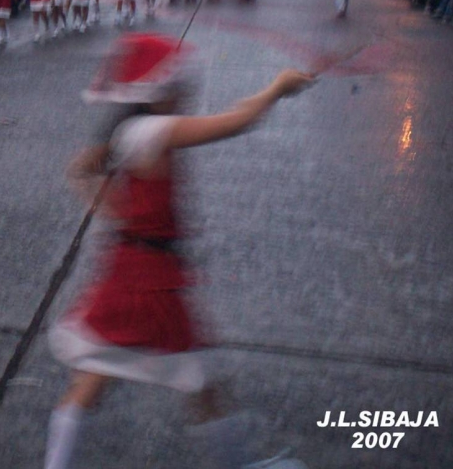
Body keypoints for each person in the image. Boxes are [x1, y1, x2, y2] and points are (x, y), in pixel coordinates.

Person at [44, 33, 314, 469]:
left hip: (129, 269)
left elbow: (82, 170)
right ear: (156, 92)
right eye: (178, 86)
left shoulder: (128, 131)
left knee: (96, 374)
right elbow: (235, 122)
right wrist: (277, 88)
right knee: (201, 380)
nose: (186, 93)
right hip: (151, 281)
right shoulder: (154, 130)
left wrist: (112, 209)